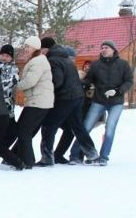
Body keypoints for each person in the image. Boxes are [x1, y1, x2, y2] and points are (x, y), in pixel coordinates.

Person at [36, 37, 100, 166]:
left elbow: (57, 81)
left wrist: (45, 88)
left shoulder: (53, 60)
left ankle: (47, 158)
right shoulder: (65, 57)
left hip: (64, 98)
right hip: (77, 97)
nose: (41, 53)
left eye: (42, 50)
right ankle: (92, 154)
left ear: (46, 48)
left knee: (49, 126)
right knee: (76, 126)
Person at [70, 39, 133, 165]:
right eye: (102, 48)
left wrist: (117, 91)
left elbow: (129, 81)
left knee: (110, 128)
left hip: (116, 102)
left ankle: (104, 157)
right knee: (86, 127)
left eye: (106, 48)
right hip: (99, 101)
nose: (103, 50)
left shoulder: (123, 64)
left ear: (113, 50)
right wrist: (75, 81)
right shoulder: (96, 65)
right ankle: (75, 155)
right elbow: (88, 80)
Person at [8, 36, 54, 168]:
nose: (26, 49)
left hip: (38, 101)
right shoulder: (37, 60)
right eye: (25, 46)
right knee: (24, 130)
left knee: (23, 130)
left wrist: (14, 87)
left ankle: (27, 161)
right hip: (38, 100)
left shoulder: (38, 61)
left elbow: (30, 81)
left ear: (35, 47)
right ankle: (23, 158)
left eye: (28, 46)